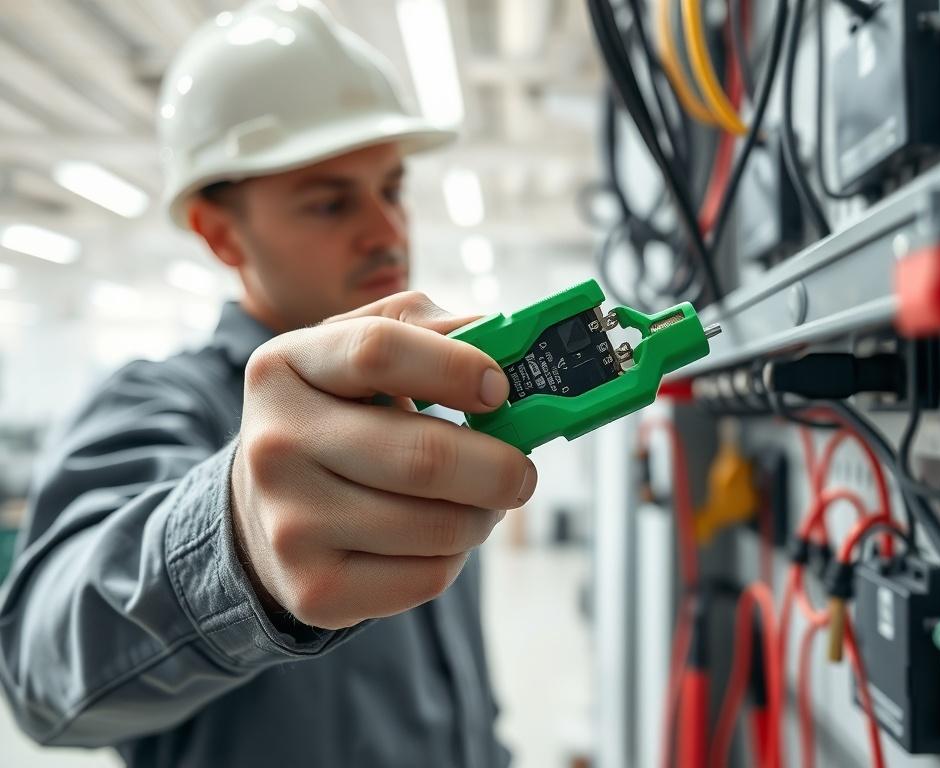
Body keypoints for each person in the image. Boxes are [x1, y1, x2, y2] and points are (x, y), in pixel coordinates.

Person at [0, 2, 538, 765]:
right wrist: (233, 544)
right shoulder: (160, 405)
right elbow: (39, 672)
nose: (388, 230)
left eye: (392, 187)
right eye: (330, 201)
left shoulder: (424, 411)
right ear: (221, 234)